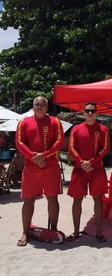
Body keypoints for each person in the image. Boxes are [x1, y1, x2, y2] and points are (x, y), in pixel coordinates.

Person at [15, 96, 64, 247]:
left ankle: (53, 229)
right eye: (37, 105)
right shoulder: (24, 122)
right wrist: (32, 156)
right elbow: (19, 142)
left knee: (52, 198)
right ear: (33, 106)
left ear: (47, 107)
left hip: (50, 165)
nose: (40, 107)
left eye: (42, 105)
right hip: (31, 166)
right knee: (28, 199)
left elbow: (59, 141)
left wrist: (44, 155)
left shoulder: (55, 121)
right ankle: (25, 232)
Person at [67, 101, 110, 243]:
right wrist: (81, 162)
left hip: (96, 169)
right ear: (83, 113)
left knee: (98, 199)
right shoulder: (76, 129)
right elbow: (72, 148)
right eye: (87, 110)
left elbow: (105, 149)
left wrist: (90, 162)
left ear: (97, 113)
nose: (90, 113)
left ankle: (98, 232)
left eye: (93, 110)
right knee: (77, 199)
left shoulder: (103, 129)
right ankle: (75, 231)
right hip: (79, 169)